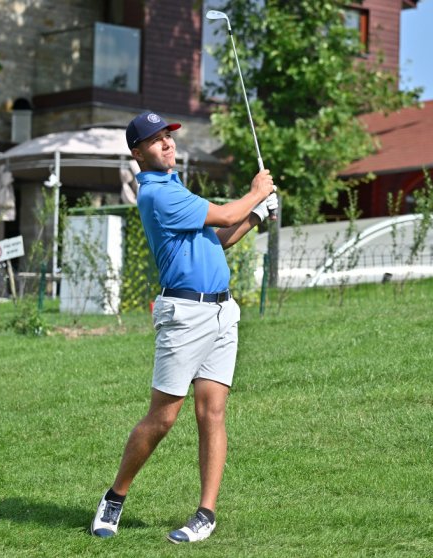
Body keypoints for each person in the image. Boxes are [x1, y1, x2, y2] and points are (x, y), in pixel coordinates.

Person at [91, 111, 277, 544]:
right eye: (156, 141)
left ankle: (205, 514)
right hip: (184, 316)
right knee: (163, 417)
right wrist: (255, 193)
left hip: (221, 312)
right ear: (138, 153)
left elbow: (223, 236)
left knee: (211, 412)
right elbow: (227, 211)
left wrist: (259, 215)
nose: (168, 144)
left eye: (169, 137)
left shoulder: (176, 186)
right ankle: (115, 497)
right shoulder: (156, 194)